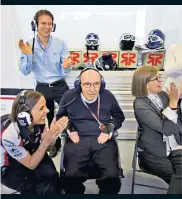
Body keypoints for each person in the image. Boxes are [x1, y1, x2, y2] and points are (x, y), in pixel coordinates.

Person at [56, 67, 125, 194]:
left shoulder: (108, 96)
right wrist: (70, 127)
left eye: (96, 84)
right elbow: (60, 117)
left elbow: (119, 117)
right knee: (71, 176)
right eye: (87, 84)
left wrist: (110, 127)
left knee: (112, 177)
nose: (92, 89)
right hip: (78, 140)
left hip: (102, 139)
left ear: (102, 84)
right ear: (78, 85)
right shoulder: (69, 96)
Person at [18, 9, 73, 158]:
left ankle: (70, 142)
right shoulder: (28, 44)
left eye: (50, 23)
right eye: (43, 23)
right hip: (41, 87)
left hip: (60, 85)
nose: (47, 26)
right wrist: (28, 55)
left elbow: (65, 70)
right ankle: (52, 145)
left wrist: (66, 66)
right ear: (35, 24)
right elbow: (25, 71)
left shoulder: (60, 44)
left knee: (68, 114)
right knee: (45, 120)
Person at [1, 90, 68, 194]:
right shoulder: (10, 134)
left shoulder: (41, 119)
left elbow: (48, 149)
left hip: (32, 153)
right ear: (25, 115)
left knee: (52, 176)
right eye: (41, 108)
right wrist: (45, 142)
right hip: (11, 165)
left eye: (45, 106)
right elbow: (31, 164)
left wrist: (52, 136)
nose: (47, 111)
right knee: (34, 186)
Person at [131, 65, 182, 194]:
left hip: (175, 146)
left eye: (160, 77)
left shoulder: (163, 95)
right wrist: (173, 104)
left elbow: (178, 120)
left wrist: (178, 100)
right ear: (145, 83)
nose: (161, 81)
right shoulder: (140, 104)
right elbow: (165, 129)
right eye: (157, 78)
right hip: (154, 155)